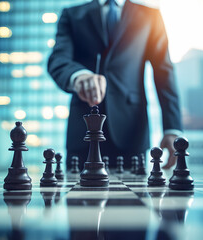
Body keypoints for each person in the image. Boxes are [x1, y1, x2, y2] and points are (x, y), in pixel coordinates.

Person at [48, 0, 182, 169]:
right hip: (83, 132)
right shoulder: (72, 14)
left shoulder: (151, 16)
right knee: (80, 195)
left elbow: (164, 72)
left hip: (132, 132)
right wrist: (78, 76)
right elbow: (58, 60)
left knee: (134, 194)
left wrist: (172, 128)